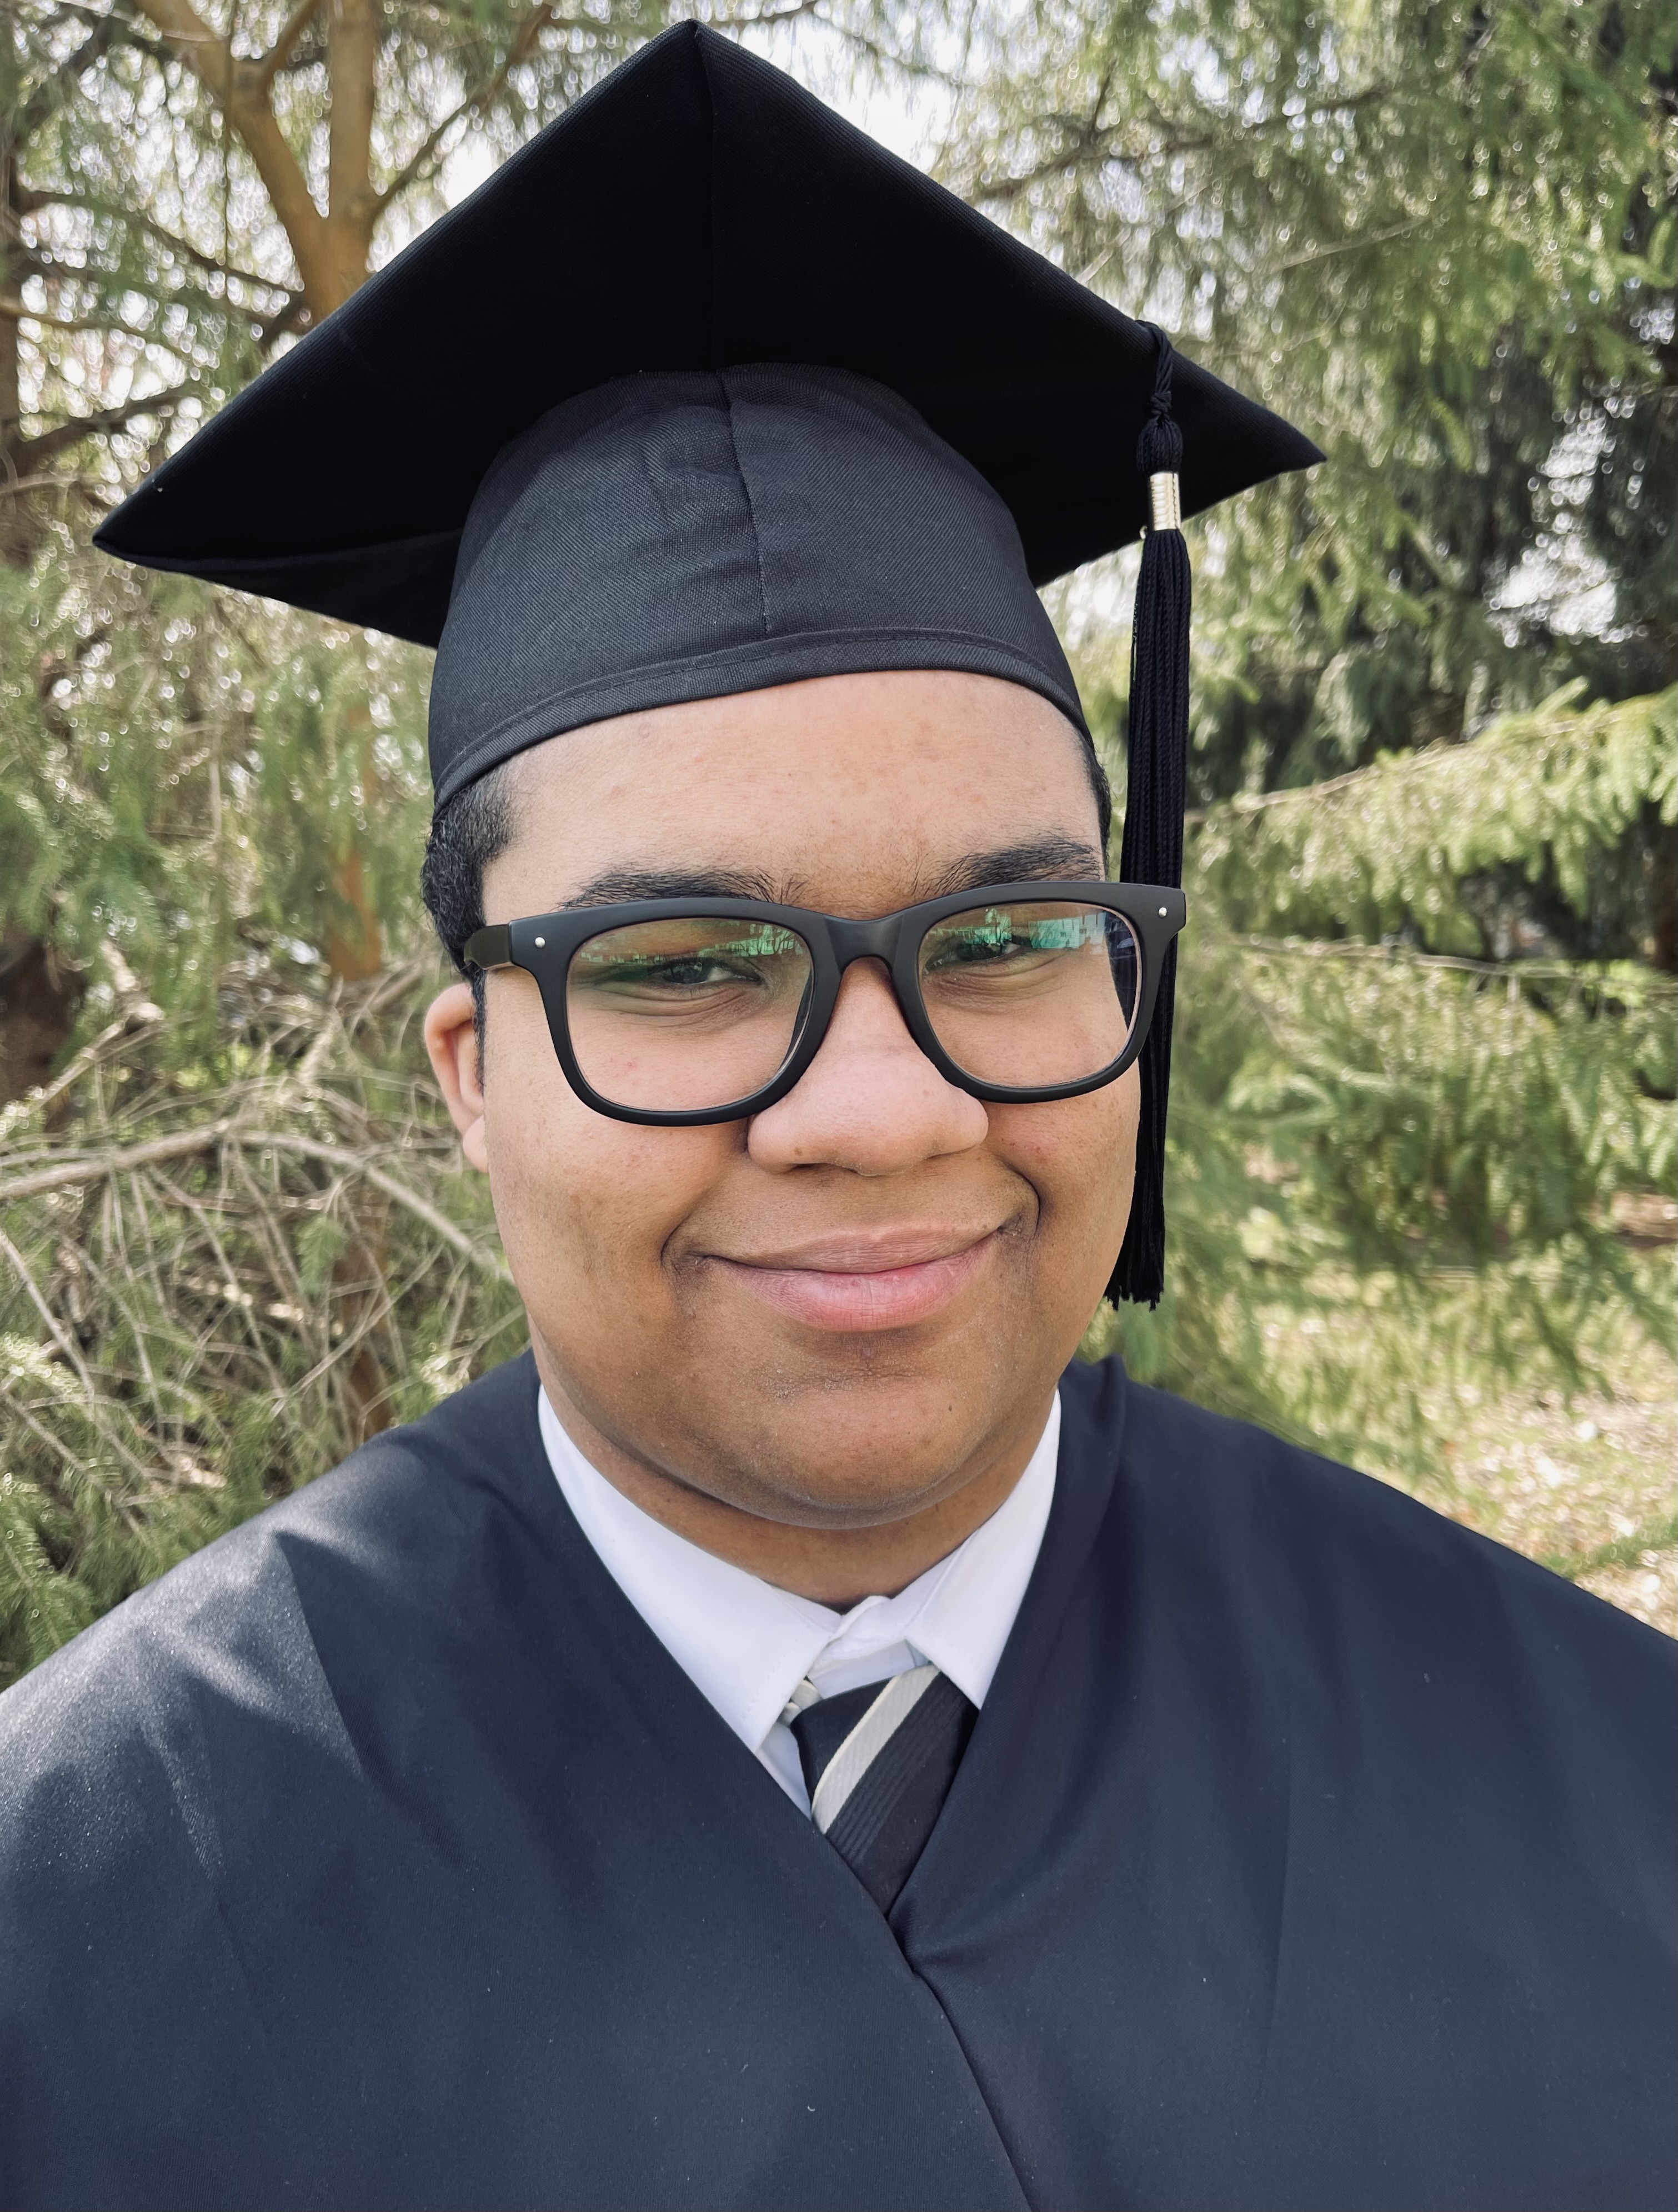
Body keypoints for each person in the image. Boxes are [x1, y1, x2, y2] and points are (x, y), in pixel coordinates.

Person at [1, 26, 1670, 2212]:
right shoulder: (84, 1918)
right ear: (473, 1076)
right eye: (685, 967)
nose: (884, 1113)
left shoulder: (1596, 1774)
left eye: (1004, 942)